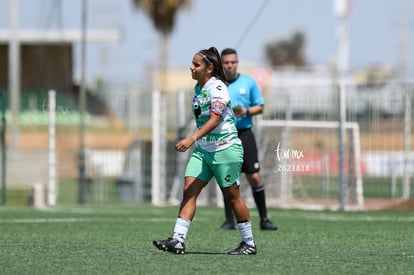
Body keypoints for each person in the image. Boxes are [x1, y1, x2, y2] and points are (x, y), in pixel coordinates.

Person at [153, 47, 257, 255]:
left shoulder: (217, 88)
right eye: (192, 63)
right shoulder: (198, 89)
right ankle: (178, 240)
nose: (191, 68)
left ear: (209, 69)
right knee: (189, 191)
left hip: (224, 149)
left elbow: (215, 119)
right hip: (203, 150)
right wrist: (198, 141)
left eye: (196, 64)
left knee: (232, 196)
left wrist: (192, 138)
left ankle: (249, 243)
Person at [218, 48, 277, 231]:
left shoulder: (248, 83)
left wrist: (246, 111)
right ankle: (229, 221)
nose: (230, 65)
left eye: (233, 62)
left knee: (254, 177)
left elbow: (260, 106)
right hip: (224, 136)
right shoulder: (217, 85)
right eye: (226, 62)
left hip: (244, 134)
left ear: (237, 63)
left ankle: (264, 219)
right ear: (222, 64)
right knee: (227, 178)